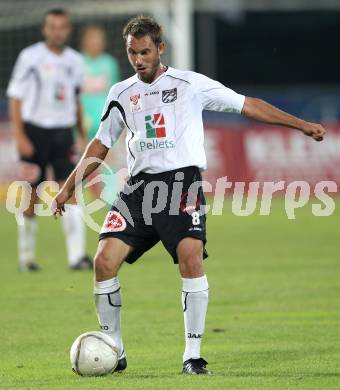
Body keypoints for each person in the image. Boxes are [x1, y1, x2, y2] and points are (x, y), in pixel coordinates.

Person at [53, 16, 326, 374]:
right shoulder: (121, 92)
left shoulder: (189, 84)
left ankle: (192, 356)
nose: (138, 59)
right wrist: (68, 187)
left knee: (190, 259)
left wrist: (301, 124)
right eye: (133, 52)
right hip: (139, 188)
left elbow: (247, 104)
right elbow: (102, 143)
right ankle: (113, 349)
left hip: (182, 183)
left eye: (145, 51)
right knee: (104, 261)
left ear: (160, 48)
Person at [7, 8, 92, 271]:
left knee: (71, 190)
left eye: (62, 27)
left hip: (63, 131)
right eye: (52, 27)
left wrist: (81, 134)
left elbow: (76, 100)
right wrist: (19, 135)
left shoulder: (76, 61)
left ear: (68, 30)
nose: (57, 32)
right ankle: (26, 258)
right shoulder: (30, 57)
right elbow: (16, 96)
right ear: (45, 29)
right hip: (34, 131)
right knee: (30, 194)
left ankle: (77, 257)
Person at [80, 24, 120, 201]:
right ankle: (76, 196)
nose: (95, 43)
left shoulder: (109, 63)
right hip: (81, 120)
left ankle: (111, 198)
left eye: (98, 39)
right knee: (80, 158)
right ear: (84, 42)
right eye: (92, 39)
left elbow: (115, 94)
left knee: (108, 159)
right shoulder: (77, 62)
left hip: (104, 120)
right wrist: (79, 116)